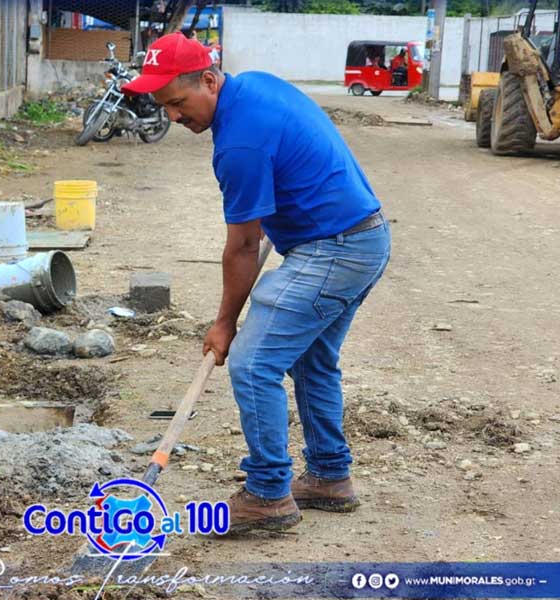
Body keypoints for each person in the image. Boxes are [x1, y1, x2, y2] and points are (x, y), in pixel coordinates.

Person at [122, 33, 390, 534]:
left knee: (251, 363)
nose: (175, 118)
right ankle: (330, 477)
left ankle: (267, 493)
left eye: (178, 103)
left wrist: (224, 323)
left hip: (335, 248)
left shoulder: (239, 144)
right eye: (164, 108)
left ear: (208, 80)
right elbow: (269, 201)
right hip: (364, 237)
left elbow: (244, 247)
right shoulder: (254, 87)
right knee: (310, 357)